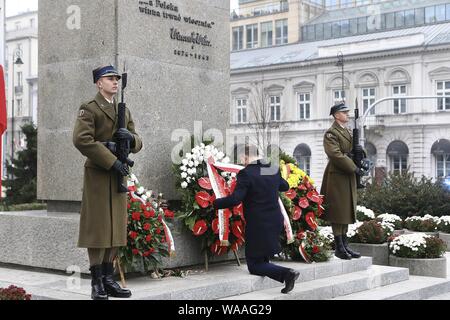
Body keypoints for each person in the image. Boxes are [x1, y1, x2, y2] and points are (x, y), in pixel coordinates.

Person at [73, 65, 143, 300]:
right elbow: (82, 140)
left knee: (115, 227)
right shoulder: (89, 108)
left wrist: (130, 139)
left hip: (118, 174)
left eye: (116, 79)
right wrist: (111, 159)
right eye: (109, 79)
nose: (115, 82)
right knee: (98, 228)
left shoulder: (124, 109)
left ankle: (109, 279)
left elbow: (139, 140)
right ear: (98, 83)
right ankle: (97, 283)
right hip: (99, 174)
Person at [213, 145, 300, 294]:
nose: (241, 162)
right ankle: (273, 270)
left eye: (241, 159)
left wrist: (215, 203)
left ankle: (287, 274)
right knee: (261, 259)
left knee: (253, 265)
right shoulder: (271, 168)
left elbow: (235, 199)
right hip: (275, 221)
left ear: (245, 157)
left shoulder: (246, 173)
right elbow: (284, 186)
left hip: (259, 224)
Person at [320, 102, 365, 260]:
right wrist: (354, 168)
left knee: (345, 210)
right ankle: (339, 247)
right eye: (344, 112)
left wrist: (360, 151)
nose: (347, 115)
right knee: (338, 212)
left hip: (346, 175)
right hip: (338, 175)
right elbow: (335, 155)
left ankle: (345, 244)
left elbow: (353, 148)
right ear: (336, 115)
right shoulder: (331, 133)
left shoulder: (346, 131)